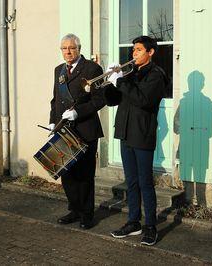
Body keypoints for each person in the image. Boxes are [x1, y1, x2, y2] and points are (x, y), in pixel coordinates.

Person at [103, 36, 168, 246]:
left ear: (150, 53)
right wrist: (110, 82)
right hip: (125, 133)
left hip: (142, 134)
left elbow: (143, 100)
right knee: (131, 181)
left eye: (139, 50)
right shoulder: (131, 74)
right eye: (133, 50)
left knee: (145, 182)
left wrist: (120, 80)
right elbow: (113, 101)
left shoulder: (156, 75)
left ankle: (150, 226)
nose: (134, 53)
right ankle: (133, 222)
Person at [49, 33, 104, 230]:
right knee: (67, 173)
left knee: (85, 175)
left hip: (85, 129)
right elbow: (55, 99)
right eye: (64, 48)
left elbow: (99, 100)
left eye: (71, 48)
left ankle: (87, 215)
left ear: (79, 48)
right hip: (63, 129)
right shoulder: (58, 70)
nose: (68, 52)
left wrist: (78, 113)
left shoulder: (92, 68)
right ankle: (75, 210)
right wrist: (52, 123)